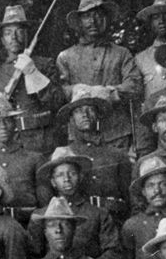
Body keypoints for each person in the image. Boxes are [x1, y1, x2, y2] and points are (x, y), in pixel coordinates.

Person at [55, 0, 142, 151]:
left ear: (106, 19)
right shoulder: (66, 57)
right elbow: (58, 92)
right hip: (80, 135)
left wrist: (111, 92)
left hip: (116, 134)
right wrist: (74, 90)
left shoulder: (122, 53)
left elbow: (135, 85)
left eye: (98, 15)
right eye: (87, 16)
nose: (93, 21)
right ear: (79, 22)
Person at [28, 148, 122, 259]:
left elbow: (113, 252)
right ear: (53, 182)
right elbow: (33, 255)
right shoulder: (41, 216)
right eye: (60, 175)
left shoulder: (98, 214)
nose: (66, 179)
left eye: (72, 173)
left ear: (80, 176)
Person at [0, 4, 63, 155]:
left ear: (27, 35)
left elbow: (57, 102)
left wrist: (32, 72)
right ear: (2, 40)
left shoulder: (45, 65)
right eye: (8, 33)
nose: (13, 37)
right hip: (12, 141)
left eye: (19, 31)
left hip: (43, 139)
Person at [56, 87, 132, 217]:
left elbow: (130, 199)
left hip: (112, 217)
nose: (85, 114)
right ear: (71, 118)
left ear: (98, 115)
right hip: (80, 220)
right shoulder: (65, 154)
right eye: (78, 111)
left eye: (90, 109)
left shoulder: (117, 155)